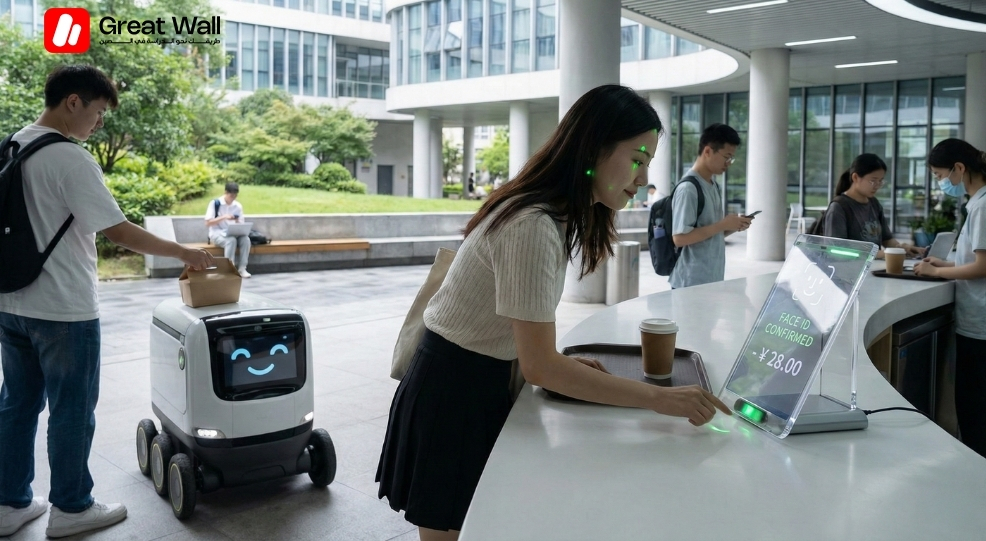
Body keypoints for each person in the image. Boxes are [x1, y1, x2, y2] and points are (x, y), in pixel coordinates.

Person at [375, 85, 730, 541]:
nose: (642, 178)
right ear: (594, 147)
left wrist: (558, 364)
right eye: (638, 159)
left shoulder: (554, 213)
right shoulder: (534, 224)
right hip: (455, 393)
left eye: (648, 164)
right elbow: (541, 366)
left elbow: (534, 353)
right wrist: (660, 398)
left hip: (476, 381)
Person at [0, 65, 214, 538]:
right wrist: (183, 251)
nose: (98, 124)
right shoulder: (69, 158)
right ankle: (72, 509)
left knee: (17, 405)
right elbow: (116, 229)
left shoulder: (14, 143)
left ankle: (9, 503)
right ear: (72, 102)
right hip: (63, 309)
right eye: (97, 112)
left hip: (12, 302)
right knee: (72, 408)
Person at [914, 138, 986, 459]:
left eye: (939, 175)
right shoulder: (977, 203)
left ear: (959, 168)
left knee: (974, 412)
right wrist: (947, 263)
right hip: (977, 321)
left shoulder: (983, 205)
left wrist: (937, 274)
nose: (941, 183)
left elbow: (984, 266)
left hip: (980, 326)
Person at [669, 123, 752, 289]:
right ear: (707, 151)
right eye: (726, 157)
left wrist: (732, 226)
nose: (729, 163)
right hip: (690, 283)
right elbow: (679, 238)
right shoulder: (689, 189)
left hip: (711, 279)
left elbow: (711, 233)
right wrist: (722, 224)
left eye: (731, 158)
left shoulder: (713, 185)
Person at [823, 153, 923, 259]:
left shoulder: (874, 204)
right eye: (873, 181)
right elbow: (836, 250)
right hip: (850, 272)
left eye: (880, 181)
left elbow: (886, 239)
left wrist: (902, 248)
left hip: (875, 269)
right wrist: (883, 254)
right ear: (855, 177)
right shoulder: (839, 207)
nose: (877, 186)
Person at [205, 182, 252, 278]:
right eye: (231, 196)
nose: (233, 198)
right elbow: (208, 223)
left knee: (246, 239)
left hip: (233, 233)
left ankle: (242, 268)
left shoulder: (237, 206)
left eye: (235, 196)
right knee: (231, 241)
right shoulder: (215, 203)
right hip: (216, 233)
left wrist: (238, 221)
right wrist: (224, 217)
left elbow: (241, 222)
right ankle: (229, 269)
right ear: (225, 192)